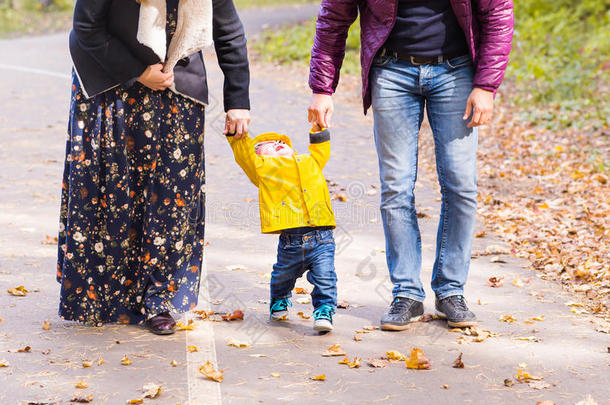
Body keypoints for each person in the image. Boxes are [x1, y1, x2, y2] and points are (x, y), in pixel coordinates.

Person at [308, 0, 513, 329]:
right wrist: (322, 87)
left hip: (457, 71)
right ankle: (407, 294)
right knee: (396, 188)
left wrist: (486, 85)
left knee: (461, 185)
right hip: (391, 73)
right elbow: (334, 17)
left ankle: (450, 291)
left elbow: (497, 13)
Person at [57, 0, 251, 334]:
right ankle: (104, 293)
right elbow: (86, 29)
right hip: (110, 85)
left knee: (171, 196)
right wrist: (138, 71)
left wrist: (238, 100)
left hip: (176, 85)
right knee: (111, 192)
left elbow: (229, 31)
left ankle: (161, 299)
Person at [226, 126, 337, 332]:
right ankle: (279, 299)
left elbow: (321, 151)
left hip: (322, 237)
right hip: (290, 241)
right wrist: (237, 137)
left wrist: (319, 129)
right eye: (267, 146)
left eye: (282, 143)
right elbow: (245, 157)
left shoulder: (308, 162)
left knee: (326, 276)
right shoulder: (263, 170)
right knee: (282, 276)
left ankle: (324, 310)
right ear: (258, 156)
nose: (278, 144)